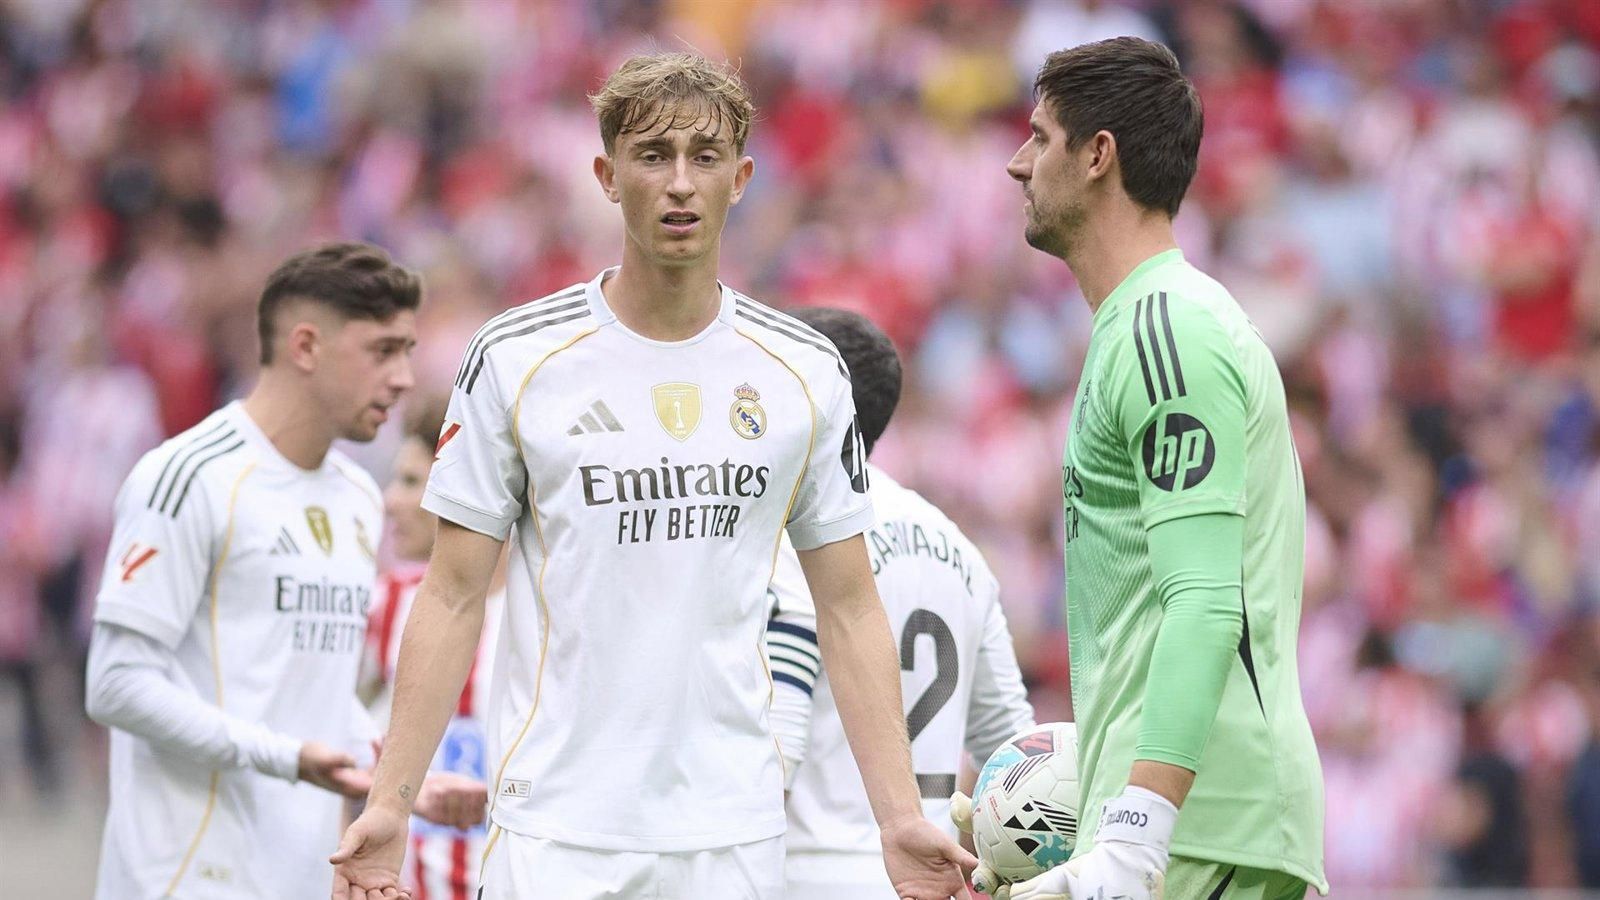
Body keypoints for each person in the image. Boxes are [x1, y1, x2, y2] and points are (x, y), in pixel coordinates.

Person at [331, 52, 976, 900]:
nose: (679, 183)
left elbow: (850, 604)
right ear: (606, 175)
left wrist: (895, 818)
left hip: (731, 832)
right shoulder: (517, 358)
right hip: (557, 830)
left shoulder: (802, 371)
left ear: (741, 178)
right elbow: (451, 595)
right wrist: (392, 802)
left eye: (704, 159)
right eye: (651, 156)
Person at [991, 38, 1328, 900]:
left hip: (1203, 828)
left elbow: (1206, 601)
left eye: (1039, 136)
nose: (1016, 163)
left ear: (1098, 155)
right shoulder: (1147, 325)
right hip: (1194, 824)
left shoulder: (1164, 329)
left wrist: (1137, 835)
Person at [84, 242, 470, 898]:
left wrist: (393, 779)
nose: (405, 377)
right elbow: (115, 684)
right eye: (383, 350)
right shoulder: (190, 477)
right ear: (305, 347)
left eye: (408, 351)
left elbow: (308, 684)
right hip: (185, 876)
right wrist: (286, 758)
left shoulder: (354, 498)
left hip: (298, 875)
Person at [766, 307, 1036, 900]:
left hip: (799, 874)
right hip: (924, 877)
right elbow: (1016, 756)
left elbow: (773, 756)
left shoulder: (785, 535)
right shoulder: (960, 550)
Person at [360, 395, 498, 900]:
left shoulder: (552, 614)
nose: (392, 500)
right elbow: (327, 727)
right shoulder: (386, 604)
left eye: (413, 482)